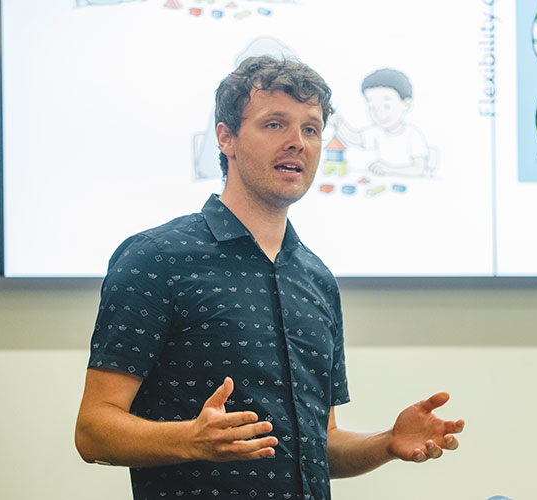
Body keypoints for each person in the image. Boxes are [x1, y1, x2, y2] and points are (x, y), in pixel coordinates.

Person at [75, 56, 464, 500]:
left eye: (311, 129)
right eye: (275, 125)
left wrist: (386, 444)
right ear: (226, 138)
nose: (297, 143)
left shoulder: (316, 279)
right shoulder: (157, 258)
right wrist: (190, 439)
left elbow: (321, 446)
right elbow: (93, 430)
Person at [331, 68, 431, 177]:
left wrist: (389, 169)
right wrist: (339, 122)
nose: (379, 113)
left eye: (387, 106)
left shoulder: (413, 134)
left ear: (406, 104)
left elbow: (419, 169)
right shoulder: (376, 132)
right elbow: (354, 138)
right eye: (372, 107)